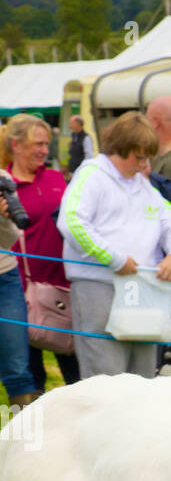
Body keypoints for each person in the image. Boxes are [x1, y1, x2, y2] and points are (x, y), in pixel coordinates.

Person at [58, 110, 171, 379]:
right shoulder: (91, 176)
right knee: (104, 379)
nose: (143, 165)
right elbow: (71, 222)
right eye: (138, 157)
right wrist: (113, 259)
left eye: (146, 158)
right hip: (98, 287)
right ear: (120, 148)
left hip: (143, 291)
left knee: (142, 378)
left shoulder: (144, 188)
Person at [1, 111, 79, 389]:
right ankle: (30, 431)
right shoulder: (4, 185)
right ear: (16, 145)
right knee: (27, 377)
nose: (45, 151)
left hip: (65, 290)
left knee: (76, 376)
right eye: (38, 144)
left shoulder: (57, 179)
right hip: (21, 293)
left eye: (47, 145)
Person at [0, 199, 39, 408]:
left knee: (17, 370)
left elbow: (9, 240)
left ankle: (23, 438)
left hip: (4, 280)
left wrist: (2, 218)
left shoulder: (2, 180)